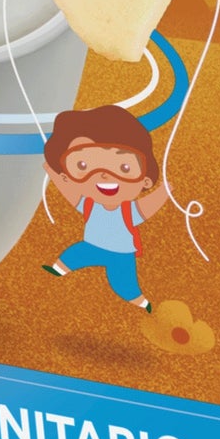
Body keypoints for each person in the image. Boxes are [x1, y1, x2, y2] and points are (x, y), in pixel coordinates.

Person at [40, 104, 171, 311]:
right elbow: (69, 192)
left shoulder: (127, 211)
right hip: (91, 245)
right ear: (67, 175)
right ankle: (58, 270)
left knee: (124, 284)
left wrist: (164, 192)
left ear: (145, 179)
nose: (104, 175)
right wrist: (53, 173)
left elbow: (146, 207)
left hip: (122, 254)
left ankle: (142, 302)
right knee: (73, 255)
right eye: (83, 166)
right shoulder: (90, 204)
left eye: (124, 167)